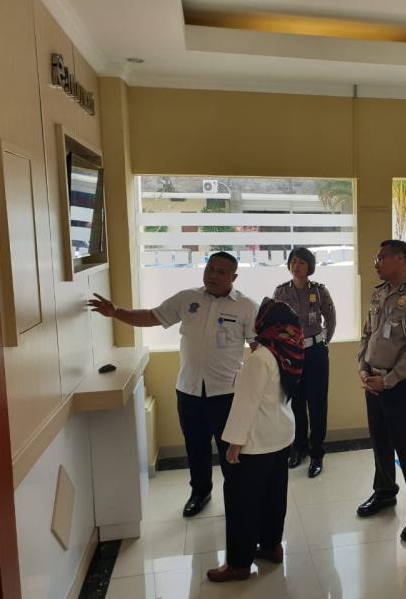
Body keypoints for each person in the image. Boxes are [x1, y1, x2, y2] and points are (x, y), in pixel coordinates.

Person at [88, 252, 258, 518]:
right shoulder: (187, 298)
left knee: (232, 450)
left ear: (234, 277)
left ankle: (237, 497)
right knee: (196, 447)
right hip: (189, 391)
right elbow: (151, 316)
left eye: (221, 271)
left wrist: (261, 386)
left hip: (227, 393)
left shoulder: (246, 306)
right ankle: (200, 493)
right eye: (210, 269)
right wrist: (115, 312)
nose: (213, 275)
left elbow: (258, 348)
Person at [206, 299, 303, 582]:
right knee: (274, 495)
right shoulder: (289, 349)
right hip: (280, 435)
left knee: (242, 503)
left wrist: (235, 442)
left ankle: (238, 564)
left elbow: (246, 403)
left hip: (256, 442)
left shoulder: (260, 358)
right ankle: (272, 546)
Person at [356, 240, 406, 541]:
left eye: (382, 257)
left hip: (403, 384)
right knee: (380, 440)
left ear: (400, 259)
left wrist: (389, 380)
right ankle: (385, 491)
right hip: (374, 380)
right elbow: (368, 333)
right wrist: (363, 366)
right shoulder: (379, 293)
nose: (376, 262)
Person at [273, 247, 336, 478]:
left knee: (317, 404)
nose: (296, 266)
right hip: (291, 354)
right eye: (293, 261)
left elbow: (330, 317)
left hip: (315, 353)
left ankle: (317, 453)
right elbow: (275, 321)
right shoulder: (281, 292)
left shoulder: (319, 291)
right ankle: (298, 447)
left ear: (309, 266)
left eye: (301, 262)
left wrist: (324, 341)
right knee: (296, 403)